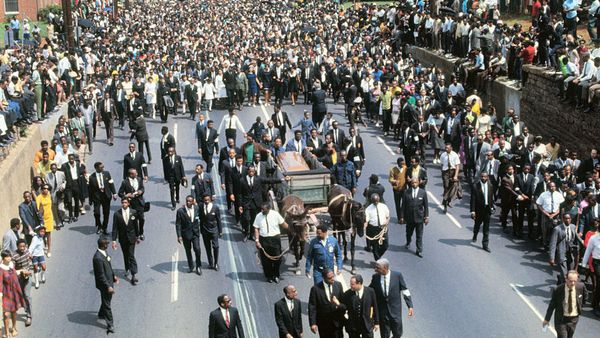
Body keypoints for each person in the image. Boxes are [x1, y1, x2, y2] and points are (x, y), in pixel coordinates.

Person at [369, 258, 414, 338]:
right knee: (385, 336)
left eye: (378, 268)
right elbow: (370, 291)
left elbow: (405, 290)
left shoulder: (397, 276)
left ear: (385, 268)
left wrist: (410, 305)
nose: (375, 270)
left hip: (395, 312)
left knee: (398, 334)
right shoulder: (375, 277)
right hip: (383, 314)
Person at [543, 270, 585, 338]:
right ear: (566, 279)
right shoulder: (558, 289)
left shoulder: (581, 286)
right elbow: (552, 306)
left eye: (575, 281)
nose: (573, 283)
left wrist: (580, 307)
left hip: (573, 320)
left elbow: (584, 297)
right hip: (561, 320)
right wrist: (547, 319)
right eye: (571, 281)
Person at [254, 202, 288, 283]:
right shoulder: (258, 216)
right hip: (264, 240)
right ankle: (269, 276)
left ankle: (276, 275)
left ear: (269, 209)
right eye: (261, 209)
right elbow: (256, 228)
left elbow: (284, 224)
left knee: (277, 258)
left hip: (275, 239)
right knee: (265, 260)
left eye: (264, 210)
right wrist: (257, 240)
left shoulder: (275, 214)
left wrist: (292, 229)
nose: (262, 211)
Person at [308, 269, 346, 338]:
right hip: (324, 325)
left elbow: (343, 303)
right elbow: (312, 307)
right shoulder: (315, 289)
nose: (332, 279)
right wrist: (312, 323)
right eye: (329, 278)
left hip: (337, 323)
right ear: (324, 278)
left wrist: (339, 304)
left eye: (333, 276)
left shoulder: (338, 285)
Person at [111, 198, 141, 286]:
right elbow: (115, 228)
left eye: (125, 202)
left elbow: (136, 225)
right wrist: (114, 240)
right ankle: (127, 268)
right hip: (123, 238)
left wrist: (137, 236)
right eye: (122, 202)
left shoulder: (133, 212)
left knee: (131, 255)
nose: (123, 204)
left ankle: (133, 274)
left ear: (128, 203)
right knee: (125, 254)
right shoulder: (117, 214)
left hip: (131, 238)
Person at [341, 274, 379, 338]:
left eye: (352, 284)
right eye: (350, 284)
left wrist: (377, 322)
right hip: (353, 326)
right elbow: (344, 307)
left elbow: (375, 307)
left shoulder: (370, 291)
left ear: (359, 283)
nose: (350, 286)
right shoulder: (348, 294)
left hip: (367, 325)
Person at [93, 237, 117, 334]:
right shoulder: (98, 258)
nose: (108, 245)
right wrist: (108, 286)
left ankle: (101, 313)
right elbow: (101, 275)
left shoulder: (104, 253)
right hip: (105, 284)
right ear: (104, 245)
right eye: (106, 243)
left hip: (109, 280)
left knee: (106, 300)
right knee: (107, 304)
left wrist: (113, 276)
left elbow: (108, 266)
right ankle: (110, 324)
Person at [400, 179, 429, 257]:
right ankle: (408, 242)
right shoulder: (406, 192)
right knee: (408, 233)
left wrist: (426, 217)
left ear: (418, 183)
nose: (414, 184)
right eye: (412, 182)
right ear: (411, 183)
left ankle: (419, 250)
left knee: (419, 235)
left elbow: (426, 206)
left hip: (419, 218)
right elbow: (403, 206)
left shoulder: (423, 193)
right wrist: (402, 217)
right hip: (409, 218)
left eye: (415, 182)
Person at [0, 249, 26, 338]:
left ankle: (14, 328)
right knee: (6, 314)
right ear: (3, 258)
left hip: (14, 292)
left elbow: (15, 273)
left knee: (14, 311)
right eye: (7, 257)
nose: (9, 258)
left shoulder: (11, 265)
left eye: (10, 256)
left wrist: (22, 271)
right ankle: (7, 332)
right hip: (6, 293)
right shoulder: (1, 268)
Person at [176, 195, 202, 275]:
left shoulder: (197, 208)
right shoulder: (180, 211)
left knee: (197, 249)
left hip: (195, 233)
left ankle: (198, 266)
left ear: (193, 201)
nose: (188, 202)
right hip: (186, 234)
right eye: (187, 201)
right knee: (188, 251)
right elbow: (178, 224)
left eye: (190, 201)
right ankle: (191, 266)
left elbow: (202, 218)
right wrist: (179, 236)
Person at [89, 162, 118, 235]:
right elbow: (90, 190)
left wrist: (114, 193)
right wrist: (90, 200)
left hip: (106, 196)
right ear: (96, 168)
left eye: (103, 167)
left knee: (106, 213)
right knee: (97, 213)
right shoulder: (92, 177)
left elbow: (111, 183)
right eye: (101, 167)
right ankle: (99, 226)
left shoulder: (107, 174)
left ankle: (104, 227)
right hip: (97, 197)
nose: (103, 168)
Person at [549, 214, 578, 284]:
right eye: (565, 218)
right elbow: (553, 244)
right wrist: (552, 258)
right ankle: (564, 289)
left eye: (569, 218)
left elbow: (576, 237)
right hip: (561, 253)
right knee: (565, 274)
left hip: (570, 253)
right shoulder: (557, 229)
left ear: (571, 219)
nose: (567, 220)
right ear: (563, 219)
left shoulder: (573, 227)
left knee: (571, 273)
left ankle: (560, 279)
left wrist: (584, 243)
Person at [118, 169, 147, 240]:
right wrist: (126, 196)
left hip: (139, 203)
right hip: (131, 204)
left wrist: (141, 191)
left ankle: (141, 233)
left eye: (136, 173)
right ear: (131, 175)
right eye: (135, 173)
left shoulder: (139, 179)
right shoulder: (125, 182)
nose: (137, 174)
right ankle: (136, 234)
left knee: (142, 219)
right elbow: (120, 193)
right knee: (133, 220)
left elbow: (142, 188)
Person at [536, 181, 565, 250]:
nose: (552, 188)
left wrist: (554, 214)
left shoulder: (559, 195)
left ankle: (554, 245)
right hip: (546, 215)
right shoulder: (543, 195)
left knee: (555, 230)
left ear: (555, 187)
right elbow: (539, 204)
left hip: (555, 215)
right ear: (548, 187)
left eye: (553, 186)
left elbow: (561, 206)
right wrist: (545, 213)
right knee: (545, 230)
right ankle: (545, 244)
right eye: (550, 186)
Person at [470, 172, 494, 252]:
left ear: (487, 177)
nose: (483, 178)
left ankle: (485, 245)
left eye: (485, 177)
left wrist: (492, 206)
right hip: (479, 210)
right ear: (480, 177)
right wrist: (473, 211)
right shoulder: (475, 186)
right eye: (482, 177)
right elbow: (472, 199)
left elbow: (491, 197)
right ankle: (475, 235)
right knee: (477, 225)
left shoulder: (490, 186)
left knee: (486, 228)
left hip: (487, 209)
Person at [581, 222, 600, 316]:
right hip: (597, 262)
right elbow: (588, 251)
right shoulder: (594, 238)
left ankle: (594, 303)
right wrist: (584, 265)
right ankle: (596, 307)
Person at [364, 194, 391, 260]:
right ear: (372, 200)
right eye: (374, 201)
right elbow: (367, 221)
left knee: (385, 245)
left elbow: (388, 216)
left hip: (383, 228)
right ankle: (378, 260)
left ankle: (378, 255)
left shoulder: (384, 206)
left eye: (377, 201)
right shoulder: (368, 209)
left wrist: (387, 222)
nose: (376, 202)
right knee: (375, 246)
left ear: (379, 199)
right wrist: (364, 227)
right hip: (374, 229)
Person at [12, 239, 32, 326]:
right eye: (21, 246)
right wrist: (21, 271)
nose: (23, 248)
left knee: (27, 295)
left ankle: (29, 316)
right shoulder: (14, 255)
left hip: (28, 277)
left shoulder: (27, 251)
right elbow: (12, 269)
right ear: (17, 247)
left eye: (24, 246)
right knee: (22, 295)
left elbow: (30, 257)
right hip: (19, 278)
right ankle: (26, 308)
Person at [200, 194, 222, 271]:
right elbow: (200, 218)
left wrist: (220, 231)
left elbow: (219, 219)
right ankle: (210, 263)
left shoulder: (215, 207)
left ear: (210, 200)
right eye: (205, 200)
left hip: (214, 230)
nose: (206, 201)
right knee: (207, 248)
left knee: (215, 246)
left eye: (208, 200)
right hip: (205, 231)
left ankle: (216, 263)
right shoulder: (200, 207)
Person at [61, 153, 85, 223]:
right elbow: (62, 175)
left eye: (72, 159)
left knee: (76, 201)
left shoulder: (77, 164)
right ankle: (70, 216)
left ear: (74, 158)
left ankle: (76, 215)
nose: (71, 160)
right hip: (69, 185)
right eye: (70, 159)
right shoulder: (64, 165)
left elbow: (82, 170)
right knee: (69, 201)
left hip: (76, 184)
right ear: (68, 159)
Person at [440, 143, 461, 212]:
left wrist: (455, 175)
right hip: (445, 172)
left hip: (453, 171)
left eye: (447, 148)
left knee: (453, 187)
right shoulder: (443, 155)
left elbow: (457, 166)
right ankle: (445, 205)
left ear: (451, 148)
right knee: (446, 187)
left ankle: (448, 200)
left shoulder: (455, 155)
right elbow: (442, 164)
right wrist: (443, 173)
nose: (446, 149)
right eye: (445, 148)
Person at [389, 157, 407, 223]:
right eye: (401, 163)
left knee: (404, 203)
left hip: (404, 189)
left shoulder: (406, 168)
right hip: (396, 190)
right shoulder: (393, 170)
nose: (403, 164)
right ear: (398, 163)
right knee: (397, 204)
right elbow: (390, 179)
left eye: (403, 163)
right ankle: (399, 218)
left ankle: (403, 217)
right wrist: (394, 181)